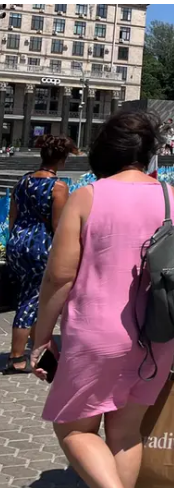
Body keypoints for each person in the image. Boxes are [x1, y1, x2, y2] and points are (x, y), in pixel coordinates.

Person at [30, 110, 174, 488]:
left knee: (74, 429)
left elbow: (59, 276)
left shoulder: (87, 197)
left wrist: (41, 338)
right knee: (125, 434)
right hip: (158, 333)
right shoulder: (172, 199)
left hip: (98, 334)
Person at [3, 135, 75, 374]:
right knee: (31, 299)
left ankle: (39, 347)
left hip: (17, 243)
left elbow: (12, 216)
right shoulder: (58, 186)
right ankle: (16, 357)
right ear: (62, 160)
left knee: (30, 296)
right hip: (40, 245)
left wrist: (16, 241)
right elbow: (58, 225)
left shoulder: (22, 182)